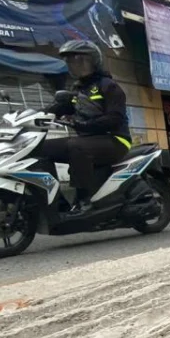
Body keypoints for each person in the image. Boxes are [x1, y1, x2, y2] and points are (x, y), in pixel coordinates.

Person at [40, 40, 130, 213]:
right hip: (89, 140)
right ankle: (56, 201)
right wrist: (32, 115)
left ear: (93, 61)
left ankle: (84, 199)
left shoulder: (108, 86)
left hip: (116, 140)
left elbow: (115, 118)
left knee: (77, 147)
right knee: (40, 149)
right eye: (70, 62)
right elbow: (58, 108)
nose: (74, 65)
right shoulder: (78, 89)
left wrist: (85, 125)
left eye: (79, 60)